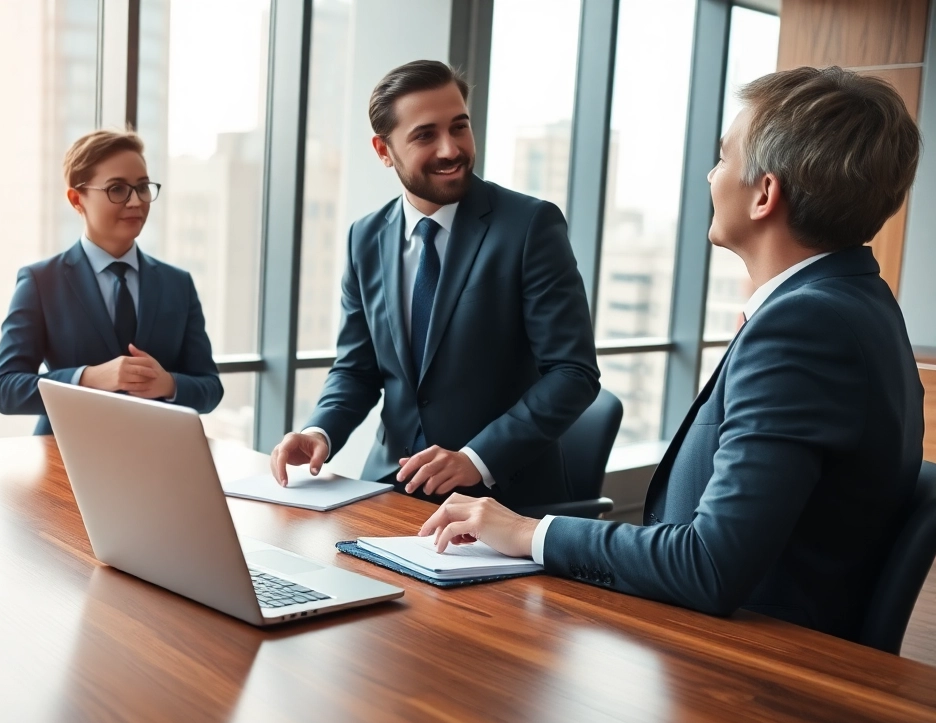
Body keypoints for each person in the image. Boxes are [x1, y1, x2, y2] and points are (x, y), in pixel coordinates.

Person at [420, 66, 925, 642]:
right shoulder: (858, 300)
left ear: (765, 194)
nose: (711, 176)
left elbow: (709, 564)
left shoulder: (805, 325)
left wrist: (527, 532)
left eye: (723, 158)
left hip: (747, 668)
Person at [270, 60, 599, 507]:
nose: (451, 149)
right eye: (425, 135)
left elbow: (573, 373)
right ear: (384, 151)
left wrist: (475, 458)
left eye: (459, 127)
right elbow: (357, 369)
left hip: (502, 503)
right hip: (390, 490)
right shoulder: (364, 238)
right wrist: (319, 430)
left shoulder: (530, 226)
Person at [0, 129, 223, 434]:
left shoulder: (177, 284)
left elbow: (210, 388)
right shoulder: (40, 281)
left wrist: (168, 383)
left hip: (159, 455)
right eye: (117, 189)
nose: (136, 201)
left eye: (142, 187)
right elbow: (6, 389)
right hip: (65, 458)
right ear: (77, 199)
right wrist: (89, 379)